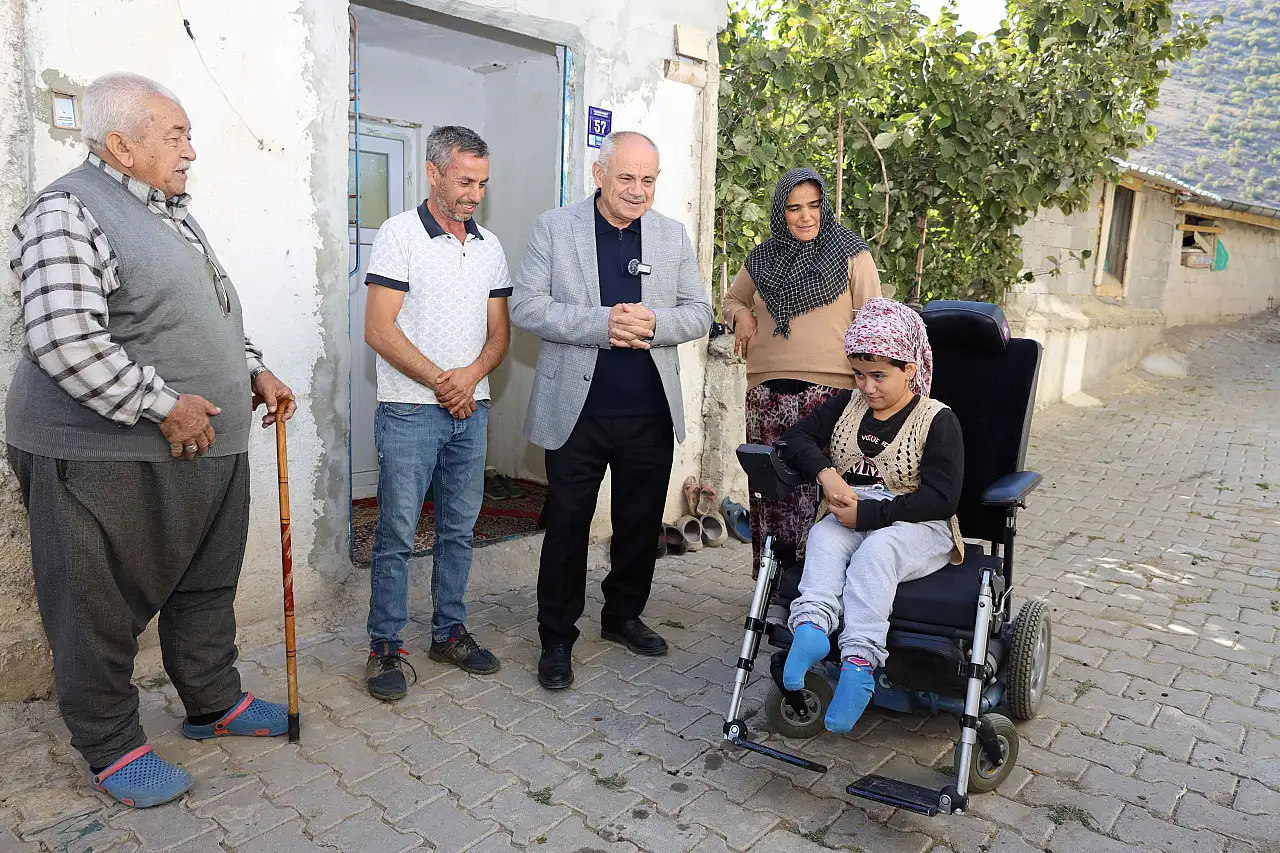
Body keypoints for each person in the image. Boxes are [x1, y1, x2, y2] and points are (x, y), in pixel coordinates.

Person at [5, 72, 297, 808]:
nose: (191, 151)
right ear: (121, 144)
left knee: (206, 584)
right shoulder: (67, 210)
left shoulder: (171, 214)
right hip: (102, 457)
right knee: (93, 606)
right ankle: (111, 746)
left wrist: (253, 368)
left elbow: (204, 313)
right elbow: (64, 340)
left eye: (188, 136)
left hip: (203, 448)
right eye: (176, 136)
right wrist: (164, 406)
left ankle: (212, 700)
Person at [511, 130, 713, 690]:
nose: (637, 190)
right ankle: (556, 637)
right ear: (599, 175)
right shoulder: (555, 228)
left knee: (639, 525)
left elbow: (699, 312)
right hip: (575, 413)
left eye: (648, 180)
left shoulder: (671, 235)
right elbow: (526, 306)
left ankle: (623, 615)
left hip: (649, 413)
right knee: (567, 528)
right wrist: (602, 324)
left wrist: (655, 323)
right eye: (626, 177)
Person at [361, 125, 512, 700]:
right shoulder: (399, 234)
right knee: (397, 533)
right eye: (464, 181)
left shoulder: (490, 246)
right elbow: (379, 329)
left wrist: (469, 379)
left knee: (459, 530)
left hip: (471, 408)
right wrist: (443, 383)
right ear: (433, 172)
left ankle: (448, 632)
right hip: (409, 411)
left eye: (483, 183)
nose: (475, 194)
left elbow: (500, 334)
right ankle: (384, 647)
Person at [776, 298, 964, 733]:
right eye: (859, 374)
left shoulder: (937, 420)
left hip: (918, 524)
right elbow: (796, 437)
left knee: (876, 552)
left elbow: (942, 499)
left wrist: (869, 515)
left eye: (879, 376)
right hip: (854, 513)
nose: (867, 387)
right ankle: (812, 628)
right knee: (824, 536)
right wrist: (827, 475)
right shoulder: (847, 405)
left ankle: (859, 664)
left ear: (909, 369)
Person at [721, 168, 881, 578]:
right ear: (782, 212)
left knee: (822, 493)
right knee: (771, 493)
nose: (805, 216)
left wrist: (871, 388)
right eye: (794, 208)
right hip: (765, 394)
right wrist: (740, 315)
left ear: (825, 206)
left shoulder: (852, 254)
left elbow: (872, 323)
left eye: (813, 205)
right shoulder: (763, 258)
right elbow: (731, 300)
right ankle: (771, 589)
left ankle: (818, 589)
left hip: (830, 395)